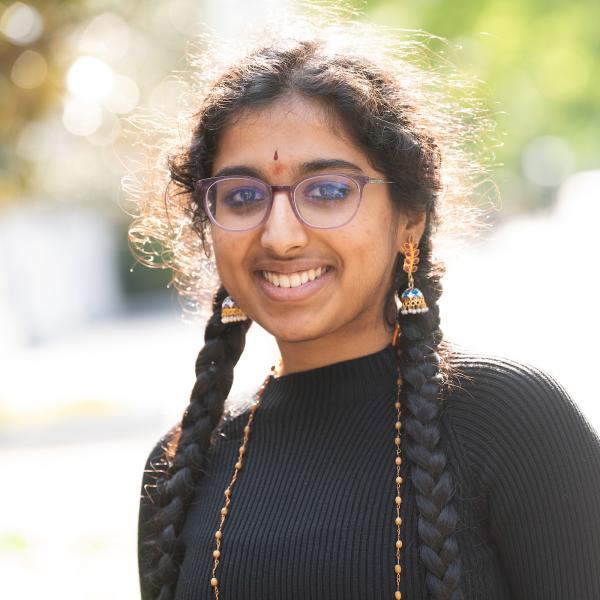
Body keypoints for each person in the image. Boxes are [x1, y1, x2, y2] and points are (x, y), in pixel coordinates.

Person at [129, 10, 600, 600]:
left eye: (327, 191)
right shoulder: (181, 469)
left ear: (409, 220)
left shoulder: (511, 423)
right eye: (243, 195)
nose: (280, 235)